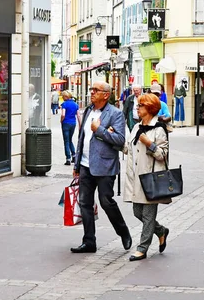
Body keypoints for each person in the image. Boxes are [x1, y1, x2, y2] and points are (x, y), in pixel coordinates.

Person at [71, 81, 132, 253]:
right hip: (85, 164)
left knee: (106, 201)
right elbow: (81, 138)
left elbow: (120, 140)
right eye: (91, 89)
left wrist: (99, 130)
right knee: (85, 203)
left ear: (106, 94)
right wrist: (76, 163)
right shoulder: (88, 111)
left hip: (105, 165)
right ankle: (89, 241)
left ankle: (123, 231)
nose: (92, 92)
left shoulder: (115, 114)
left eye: (95, 90)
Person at [123, 94, 170, 261]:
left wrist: (149, 143)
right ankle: (161, 231)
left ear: (150, 108)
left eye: (141, 105)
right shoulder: (136, 128)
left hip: (151, 179)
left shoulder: (159, 129)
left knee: (148, 215)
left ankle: (142, 248)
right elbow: (128, 148)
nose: (137, 108)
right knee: (138, 212)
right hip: (136, 177)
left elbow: (162, 155)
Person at [61, 90, 80, 165]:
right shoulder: (75, 104)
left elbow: (63, 114)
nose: (62, 98)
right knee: (70, 139)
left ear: (66, 97)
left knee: (66, 141)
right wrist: (80, 125)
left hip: (66, 123)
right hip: (73, 123)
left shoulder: (64, 104)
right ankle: (74, 155)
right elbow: (78, 115)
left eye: (63, 96)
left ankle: (68, 158)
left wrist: (61, 120)